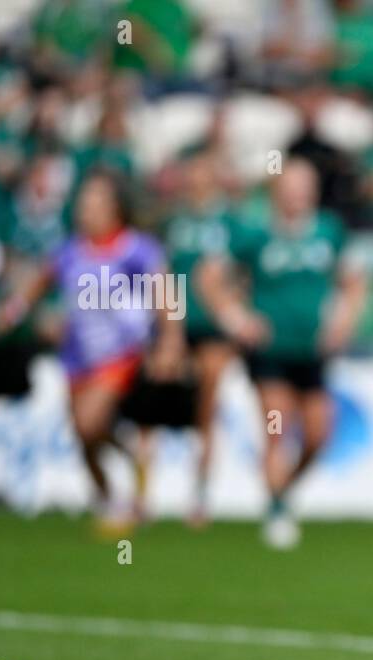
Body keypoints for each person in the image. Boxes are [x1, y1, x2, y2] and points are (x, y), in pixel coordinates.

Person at [0, 169, 184, 533]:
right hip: (76, 356)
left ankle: (127, 478)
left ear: (115, 208)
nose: (86, 210)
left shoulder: (136, 249)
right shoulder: (69, 251)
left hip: (121, 353)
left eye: (95, 202)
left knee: (89, 422)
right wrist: (13, 311)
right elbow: (39, 282)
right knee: (84, 438)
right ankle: (115, 489)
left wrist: (171, 340)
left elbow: (166, 294)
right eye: (84, 202)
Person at [200, 158, 363, 549]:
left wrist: (341, 323)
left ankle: (283, 491)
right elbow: (209, 278)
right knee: (277, 428)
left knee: (318, 434)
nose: (296, 194)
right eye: (289, 186)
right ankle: (276, 510)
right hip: (269, 352)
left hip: (312, 352)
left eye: (303, 186)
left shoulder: (329, 231)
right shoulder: (255, 234)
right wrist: (237, 320)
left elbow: (353, 282)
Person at [163, 150, 237, 526]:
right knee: (156, 405)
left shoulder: (230, 223)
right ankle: (143, 494)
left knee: (206, 406)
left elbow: (241, 274)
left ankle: (200, 494)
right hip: (179, 324)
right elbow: (166, 277)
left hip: (213, 329)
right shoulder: (175, 223)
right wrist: (168, 327)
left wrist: (232, 315)